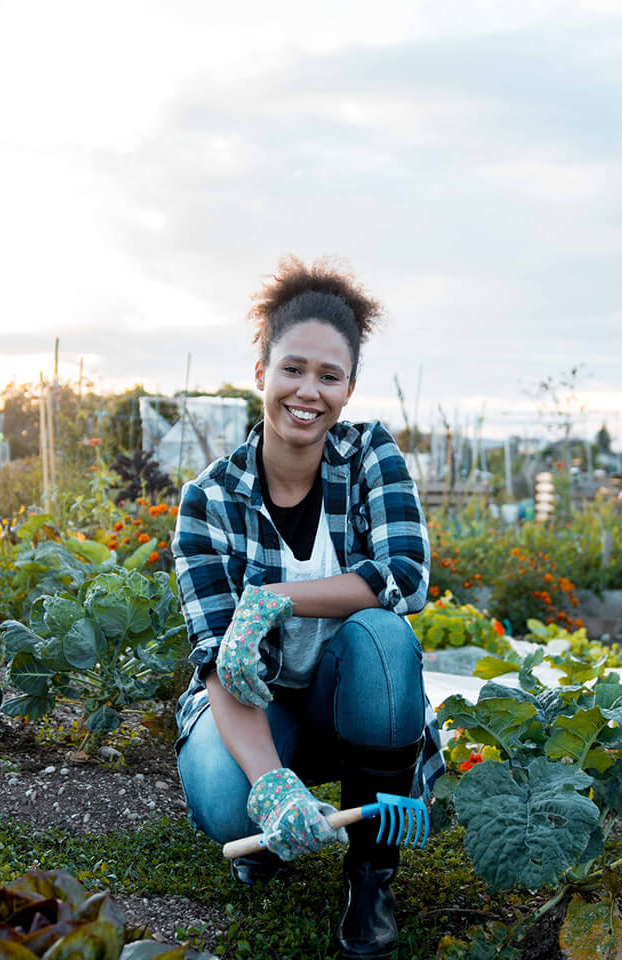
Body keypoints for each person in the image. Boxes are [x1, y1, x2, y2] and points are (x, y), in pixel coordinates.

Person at [172, 257, 443, 960]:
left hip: (352, 700)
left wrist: (272, 599)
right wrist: (270, 789)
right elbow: (213, 660)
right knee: (228, 800)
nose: (308, 392)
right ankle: (274, 824)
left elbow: (406, 576)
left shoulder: (369, 456)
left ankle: (370, 874)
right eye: (293, 369)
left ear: (349, 387)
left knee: (383, 638)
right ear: (260, 370)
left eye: (330, 376)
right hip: (264, 714)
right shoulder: (210, 500)